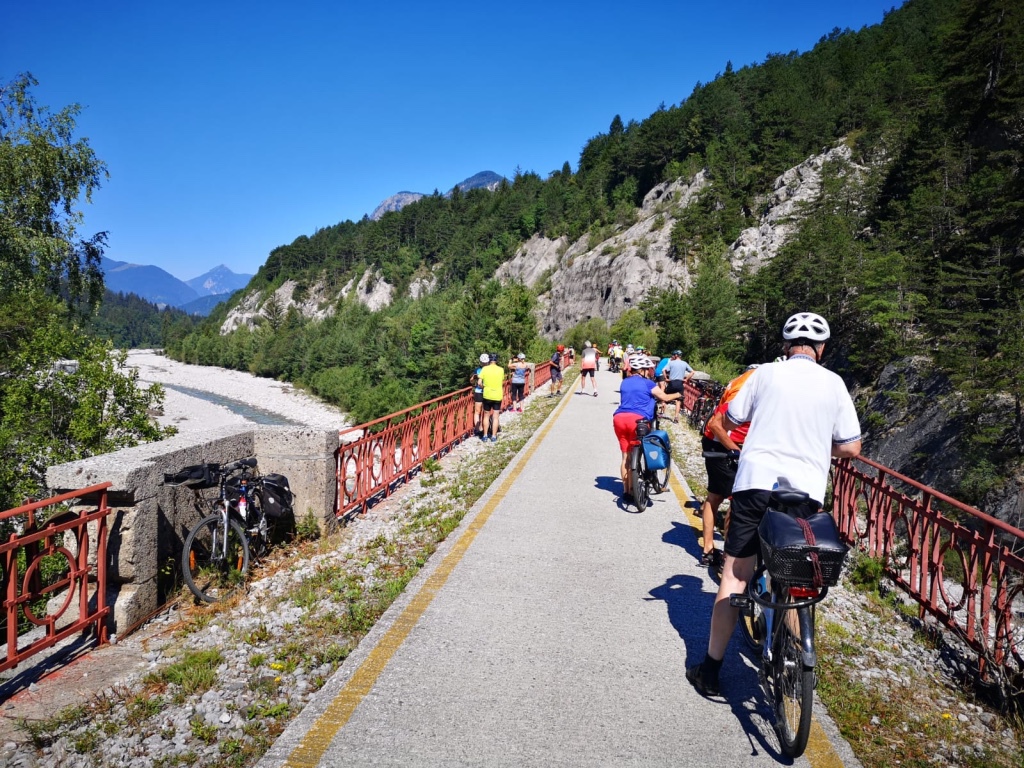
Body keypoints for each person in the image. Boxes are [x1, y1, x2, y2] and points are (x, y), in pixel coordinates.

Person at [686, 312, 862, 697]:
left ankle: (711, 671)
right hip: (805, 492)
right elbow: (851, 446)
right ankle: (797, 666)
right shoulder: (834, 384)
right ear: (822, 349)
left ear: (785, 346)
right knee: (795, 576)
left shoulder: (765, 373)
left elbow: (730, 419)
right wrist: (817, 446)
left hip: (754, 484)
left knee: (734, 577)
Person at [698, 364, 758, 569]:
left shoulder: (743, 383)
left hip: (726, 444)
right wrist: (735, 451)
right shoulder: (745, 391)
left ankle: (709, 550)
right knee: (735, 499)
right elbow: (715, 424)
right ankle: (720, 552)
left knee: (715, 496)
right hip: (722, 445)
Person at [612, 354, 683, 501]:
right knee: (644, 447)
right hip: (638, 421)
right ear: (643, 370)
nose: (650, 372)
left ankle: (627, 491)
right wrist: (678, 394)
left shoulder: (624, 382)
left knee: (626, 456)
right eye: (648, 370)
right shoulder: (648, 384)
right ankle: (644, 478)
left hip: (619, 418)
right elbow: (664, 397)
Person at [478, 353, 505, 443]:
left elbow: (479, 382)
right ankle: (493, 436)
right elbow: (501, 381)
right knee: (496, 416)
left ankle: (485, 435)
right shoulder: (501, 370)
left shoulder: (485, 369)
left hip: (487, 395)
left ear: (489, 360)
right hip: (497, 395)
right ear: (496, 360)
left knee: (486, 415)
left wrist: (483, 387)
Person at [664, 350, 694, 423]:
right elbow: (693, 372)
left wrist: (666, 378)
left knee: (665, 397)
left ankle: (662, 412)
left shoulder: (671, 363)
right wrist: (686, 379)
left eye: (673, 355)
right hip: (680, 383)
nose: (673, 356)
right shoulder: (684, 363)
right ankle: (676, 417)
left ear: (676, 355)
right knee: (678, 400)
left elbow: (664, 370)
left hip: (672, 382)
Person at [471, 353, 488, 436]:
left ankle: (479, 429)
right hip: (484, 391)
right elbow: (471, 380)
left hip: (479, 391)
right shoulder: (489, 370)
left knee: (478, 411)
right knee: (483, 411)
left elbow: (471, 381)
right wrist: (473, 377)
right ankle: (480, 428)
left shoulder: (478, 370)